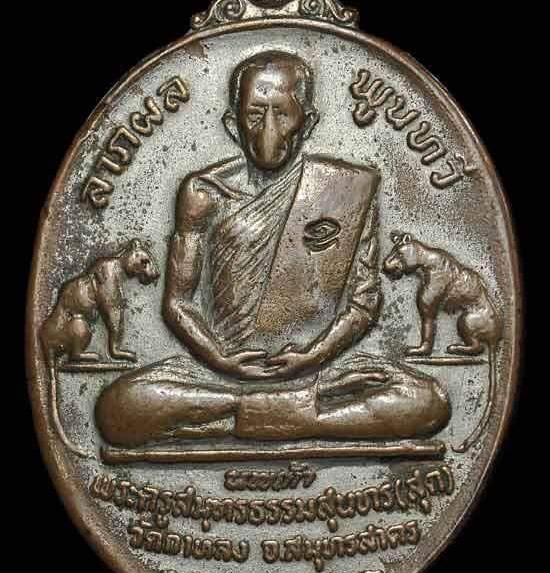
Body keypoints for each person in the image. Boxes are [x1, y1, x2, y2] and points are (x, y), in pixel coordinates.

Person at [96, 51, 450, 447]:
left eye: (282, 114)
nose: (268, 131)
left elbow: (363, 304)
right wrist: (220, 359)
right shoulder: (202, 192)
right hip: (218, 375)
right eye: (254, 115)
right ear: (232, 124)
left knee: (428, 402)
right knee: (117, 408)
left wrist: (312, 357)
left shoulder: (345, 188)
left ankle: (246, 417)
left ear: (307, 122)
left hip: (321, 370)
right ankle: (296, 416)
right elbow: (178, 302)